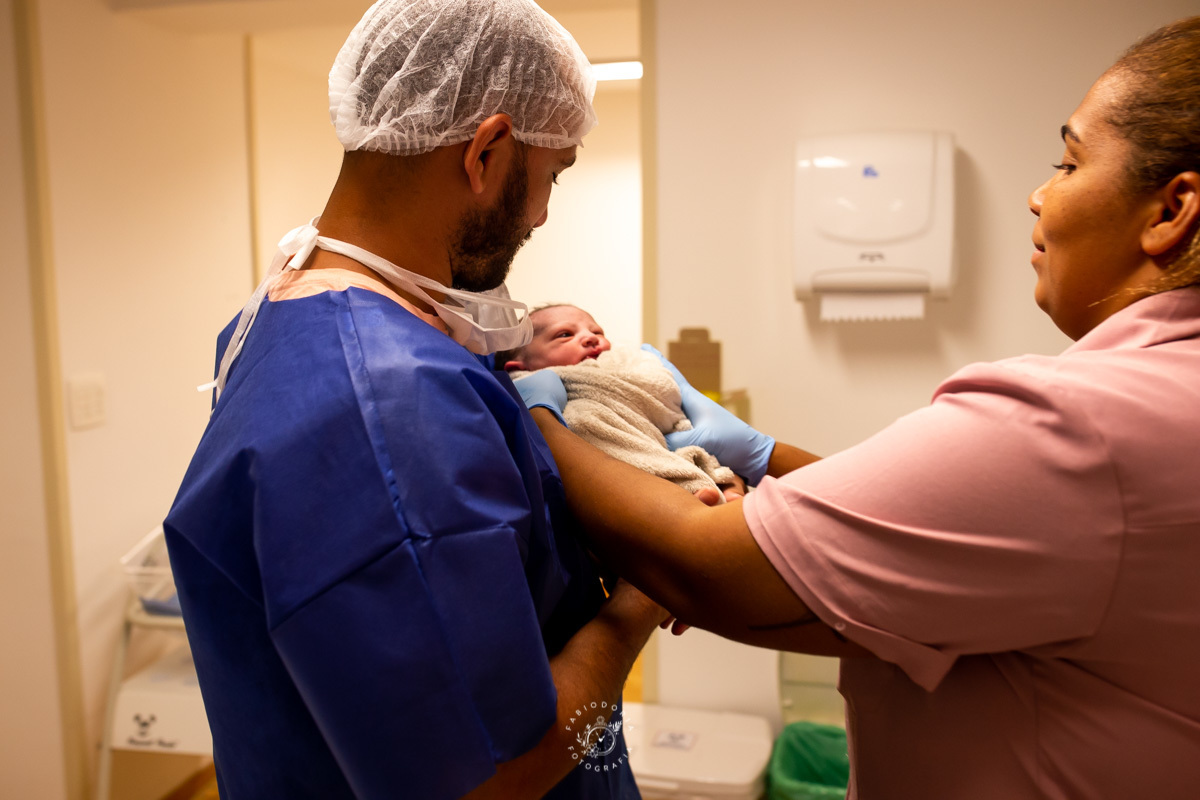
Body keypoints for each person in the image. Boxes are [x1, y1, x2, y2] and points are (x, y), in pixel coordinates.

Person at [518, 16, 1200, 799]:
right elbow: (915, 557)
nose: (1040, 194)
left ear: (1170, 211)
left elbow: (711, 569)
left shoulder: (1084, 425)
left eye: (1069, 162)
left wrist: (535, 418)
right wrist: (767, 456)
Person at [162, 2, 666, 799]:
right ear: (489, 151)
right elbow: (489, 781)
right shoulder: (393, 399)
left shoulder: (275, 318)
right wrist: (635, 606)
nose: (539, 214)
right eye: (553, 176)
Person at [499, 304, 746, 504]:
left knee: (724, 466)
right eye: (565, 335)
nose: (590, 338)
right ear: (521, 367)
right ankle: (689, 485)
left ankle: (725, 489)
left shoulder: (623, 362)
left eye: (597, 332)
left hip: (659, 434)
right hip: (621, 471)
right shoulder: (534, 390)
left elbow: (654, 388)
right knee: (583, 419)